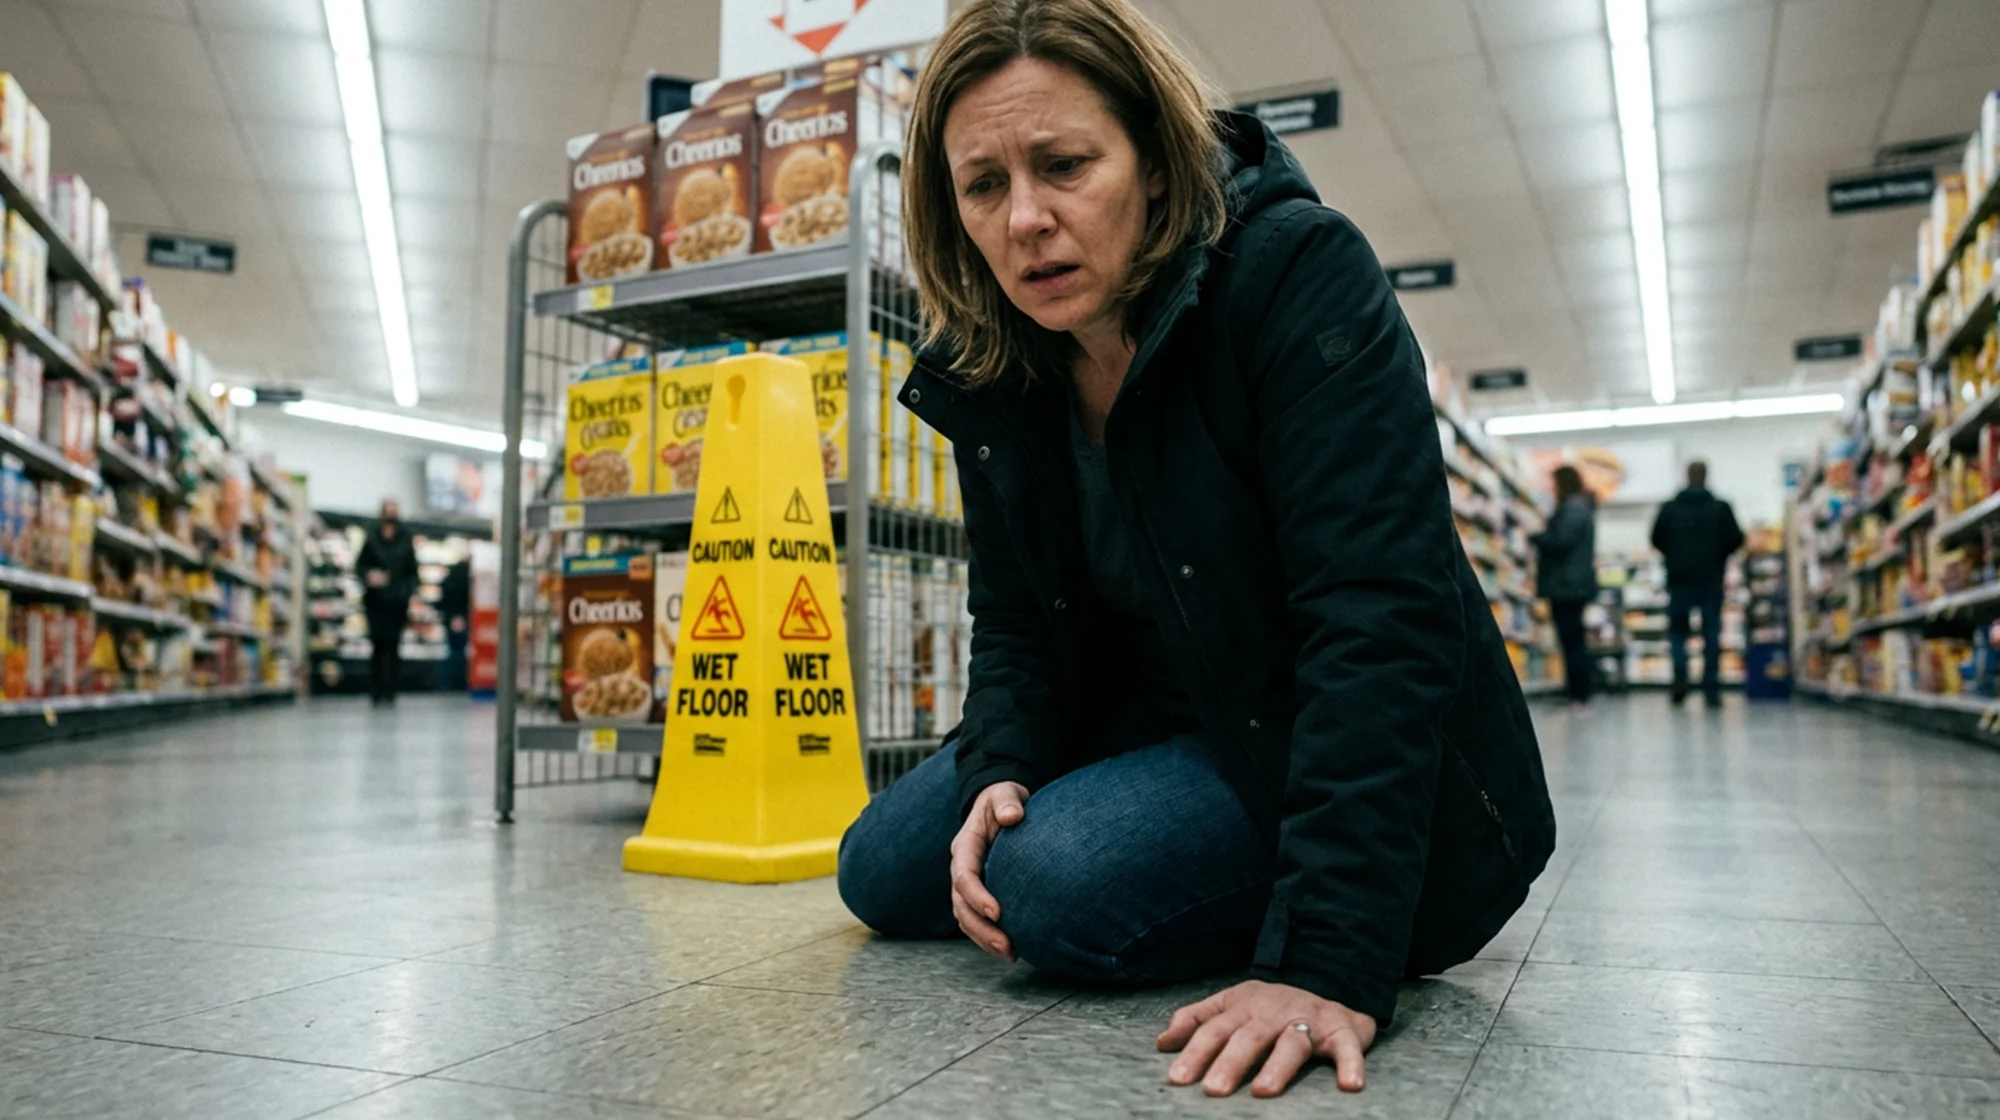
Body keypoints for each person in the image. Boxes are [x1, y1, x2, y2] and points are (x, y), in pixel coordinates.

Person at [837, 0, 1555, 1100]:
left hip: (1301, 719)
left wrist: (1323, 955)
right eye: (984, 185)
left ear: (1158, 166)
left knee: (1047, 885)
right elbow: (1017, 615)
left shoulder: (1294, 276)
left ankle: (1275, 879)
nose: (1025, 218)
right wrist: (1004, 765)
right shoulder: (999, 356)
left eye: (1065, 165)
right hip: (1150, 711)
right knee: (881, 869)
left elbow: (1380, 618)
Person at [1650, 461, 1746, 708]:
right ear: (1706, 476)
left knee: (1678, 634)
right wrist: (1718, 556)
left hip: (1679, 580)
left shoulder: (1670, 508)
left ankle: (1680, 683)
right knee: (1711, 634)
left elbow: (1656, 538)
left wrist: (1673, 556)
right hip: (1711, 580)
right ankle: (1711, 689)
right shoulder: (1720, 508)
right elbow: (1736, 538)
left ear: (1687, 476)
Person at [1532, 466, 1598, 711]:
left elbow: (1562, 542)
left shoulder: (1572, 508)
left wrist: (1537, 537)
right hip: (1573, 585)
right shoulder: (1579, 508)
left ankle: (1580, 695)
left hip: (1567, 586)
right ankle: (1577, 692)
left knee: (1572, 641)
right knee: (1573, 640)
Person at [354, 500, 419, 706]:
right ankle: (376, 691)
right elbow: (359, 566)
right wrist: (369, 576)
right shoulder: (371, 537)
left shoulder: (405, 539)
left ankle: (390, 691)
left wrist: (405, 592)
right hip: (375, 601)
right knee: (376, 645)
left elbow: (412, 573)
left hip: (397, 603)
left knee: (393, 646)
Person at [438, 557, 472, 692]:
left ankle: (447, 683)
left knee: (453, 651)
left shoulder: (449, 579)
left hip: (451, 619)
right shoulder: (463, 579)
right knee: (458, 653)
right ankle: (456, 682)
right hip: (460, 619)